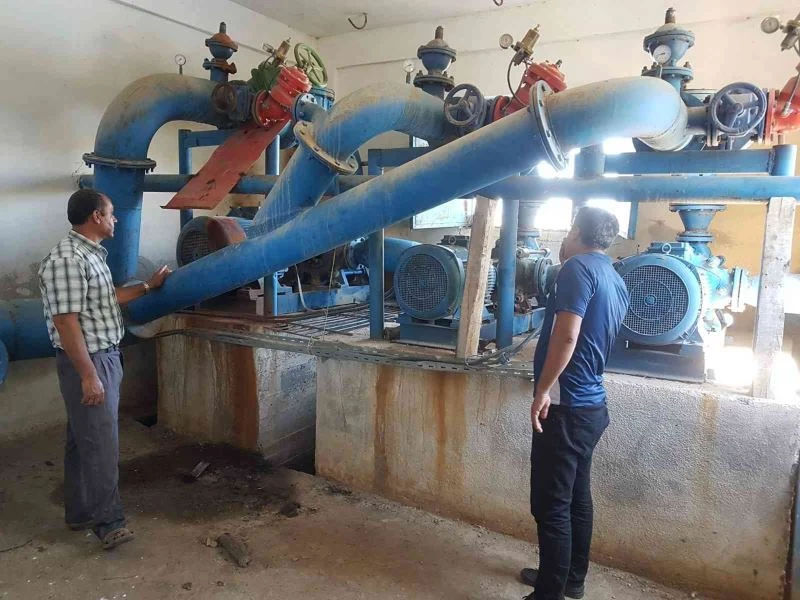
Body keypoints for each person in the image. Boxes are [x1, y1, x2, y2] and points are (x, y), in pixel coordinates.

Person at [38, 189, 171, 550]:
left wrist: (148, 286)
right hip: (91, 360)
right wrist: (88, 375)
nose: (116, 219)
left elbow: (106, 297)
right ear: (95, 216)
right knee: (100, 443)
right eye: (111, 213)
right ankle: (109, 523)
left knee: (83, 438)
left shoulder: (90, 255)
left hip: (103, 356)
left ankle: (79, 511)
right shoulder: (67, 259)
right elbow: (66, 322)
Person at [521, 206, 630, 600]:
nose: (565, 238)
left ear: (576, 232)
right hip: (591, 407)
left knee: (551, 504)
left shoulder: (575, 269)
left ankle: (548, 593)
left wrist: (543, 391)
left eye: (568, 231)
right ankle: (570, 579)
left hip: (565, 407)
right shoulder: (614, 277)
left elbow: (567, 336)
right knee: (577, 498)